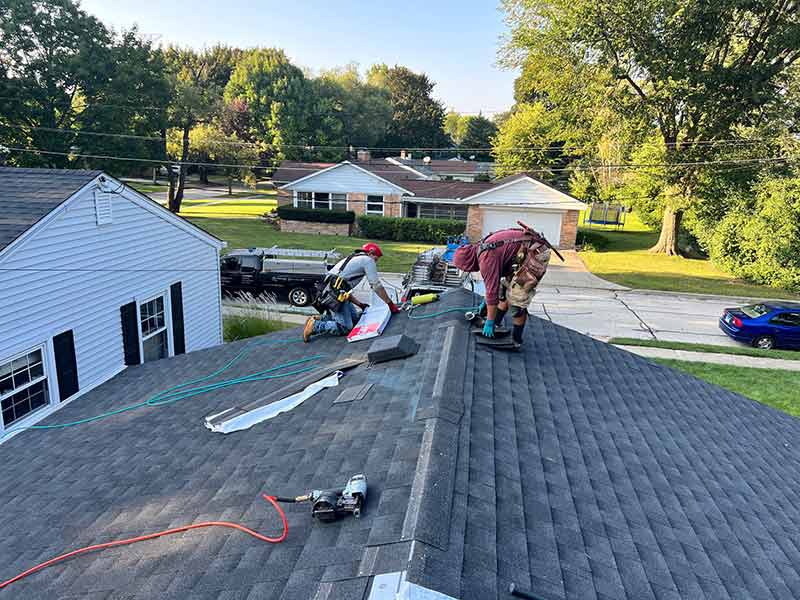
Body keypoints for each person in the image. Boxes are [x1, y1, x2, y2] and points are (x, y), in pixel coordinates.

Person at [453, 227, 552, 346]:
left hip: (536, 254)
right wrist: (485, 302)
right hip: (521, 254)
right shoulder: (480, 248)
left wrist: (488, 321)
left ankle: (516, 340)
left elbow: (491, 292)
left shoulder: (486, 259)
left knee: (517, 300)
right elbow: (493, 287)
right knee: (502, 289)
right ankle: (496, 323)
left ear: (468, 262)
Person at [303, 242, 401, 342]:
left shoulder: (354, 258)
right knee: (346, 327)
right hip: (335, 296)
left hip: (332, 292)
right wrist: (390, 304)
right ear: (371, 253)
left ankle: (320, 318)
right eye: (376, 258)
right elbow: (376, 286)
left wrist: (360, 304)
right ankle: (315, 326)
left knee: (355, 320)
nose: (375, 262)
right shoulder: (367, 260)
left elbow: (344, 288)